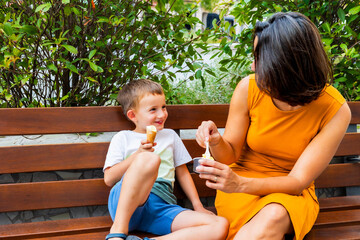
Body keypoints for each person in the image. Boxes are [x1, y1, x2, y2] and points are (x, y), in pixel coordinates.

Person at [195, 12, 351, 240]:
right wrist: (217, 141)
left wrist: (240, 184)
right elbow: (229, 157)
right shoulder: (248, 89)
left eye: (260, 58)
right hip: (238, 191)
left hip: (289, 194)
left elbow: (297, 182)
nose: (252, 65)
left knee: (275, 215)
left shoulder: (334, 108)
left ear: (286, 64)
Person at [103, 79, 229, 240]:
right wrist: (138, 155)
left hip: (161, 207)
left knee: (219, 225)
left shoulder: (170, 136)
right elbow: (109, 178)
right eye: (153, 109)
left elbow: (182, 173)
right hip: (126, 205)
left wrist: (198, 206)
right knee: (150, 159)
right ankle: (117, 233)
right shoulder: (123, 138)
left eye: (163, 107)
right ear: (132, 115)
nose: (162, 114)